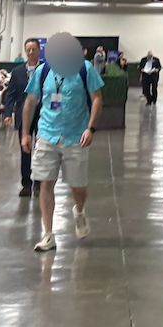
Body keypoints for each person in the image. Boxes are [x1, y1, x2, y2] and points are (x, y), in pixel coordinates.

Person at [22, 31, 104, 252]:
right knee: (45, 183)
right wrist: (25, 133)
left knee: (78, 186)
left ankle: (79, 210)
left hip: (76, 136)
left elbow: (97, 98)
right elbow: (30, 101)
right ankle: (48, 234)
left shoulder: (85, 69)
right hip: (47, 134)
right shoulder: (43, 71)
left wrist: (91, 128)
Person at [8, 38, 44, 195]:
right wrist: (8, 113)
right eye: (28, 49)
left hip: (43, 115)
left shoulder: (46, 70)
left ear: (39, 50)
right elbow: (10, 93)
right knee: (25, 149)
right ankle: (26, 183)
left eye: (33, 49)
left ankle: (39, 182)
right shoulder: (17, 72)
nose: (31, 52)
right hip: (24, 114)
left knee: (42, 149)